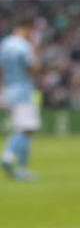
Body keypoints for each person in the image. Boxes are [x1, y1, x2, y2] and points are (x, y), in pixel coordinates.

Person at [1, 17, 40, 181]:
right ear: (27, 28)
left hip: (8, 89)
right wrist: (36, 48)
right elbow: (33, 68)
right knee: (27, 128)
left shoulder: (4, 44)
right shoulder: (24, 46)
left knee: (23, 129)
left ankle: (22, 170)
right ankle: (8, 156)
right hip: (22, 90)